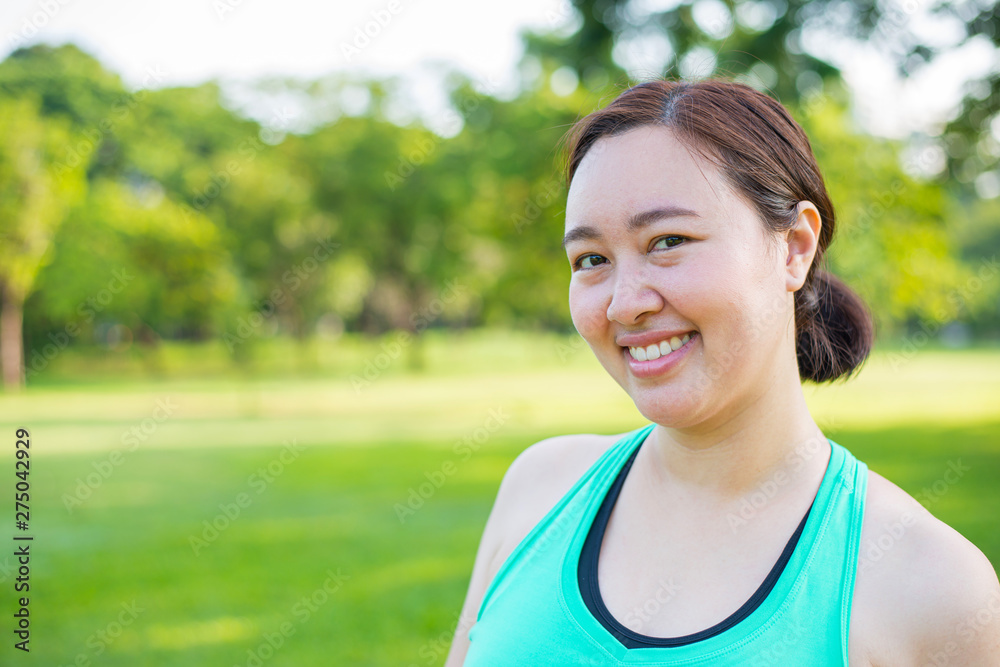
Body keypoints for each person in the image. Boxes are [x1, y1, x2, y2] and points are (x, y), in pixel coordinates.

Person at [444, 79, 1000, 666]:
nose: (624, 303)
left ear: (793, 248)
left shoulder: (933, 588)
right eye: (592, 260)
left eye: (668, 240)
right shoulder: (538, 490)